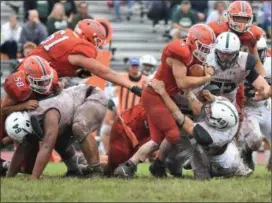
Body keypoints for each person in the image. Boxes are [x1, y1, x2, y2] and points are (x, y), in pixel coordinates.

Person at [113, 24, 216, 178]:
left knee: (156, 140)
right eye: (203, 47)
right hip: (155, 95)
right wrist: (206, 77)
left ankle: (131, 166)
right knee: (173, 134)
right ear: (193, 41)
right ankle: (156, 165)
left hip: (161, 95)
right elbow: (182, 82)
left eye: (208, 49)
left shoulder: (189, 52)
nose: (205, 52)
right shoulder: (180, 51)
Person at [148, 79, 252, 179]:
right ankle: (240, 168)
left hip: (219, 167)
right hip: (231, 155)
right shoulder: (229, 115)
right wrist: (208, 95)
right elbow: (220, 100)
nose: (207, 107)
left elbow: (179, 115)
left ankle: (202, 175)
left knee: (193, 142)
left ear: (215, 123)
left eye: (210, 111)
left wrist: (163, 93)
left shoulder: (209, 135)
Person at [5, 84, 107, 179]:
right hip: (73, 107)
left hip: (93, 96)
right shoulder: (29, 120)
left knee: (78, 126)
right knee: (56, 138)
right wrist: (9, 176)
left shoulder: (49, 114)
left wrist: (34, 177)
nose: (27, 140)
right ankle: (74, 170)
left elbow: (46, 147)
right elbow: (22, 149)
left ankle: (95, 170)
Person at [27, 18, 142, 96]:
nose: (96, 46)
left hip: (28, 73)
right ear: (90, 36)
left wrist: (74, 73)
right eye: (97, 41)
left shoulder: (66, 34)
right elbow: (105, 72)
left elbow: (57, 62)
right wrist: (132, 87)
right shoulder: (78, 48)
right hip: (32, 83)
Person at [208, 0, 266, 111]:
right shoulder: (215, 30)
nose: (241, 23)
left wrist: (262, 80)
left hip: (235, 71)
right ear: (229, 16)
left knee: (238, 106)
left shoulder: (252, 34)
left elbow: (256, 59)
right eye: (238, 18)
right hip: (214, 69)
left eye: (245, 19)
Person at [206, 32, 271, 119]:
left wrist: (265, 93)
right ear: (215, 51)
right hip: (206, 104)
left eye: (229, 54)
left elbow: (264, 87)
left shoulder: (244, 62)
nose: (225, 57)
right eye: (222, 53)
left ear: (237, 53)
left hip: (229, 107)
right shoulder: (206, 60)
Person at [100, 58, 148, 153]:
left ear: (139, 67)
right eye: (133, 66)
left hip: (138, 116)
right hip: (122, 114)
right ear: (129, 67)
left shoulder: (145, 80)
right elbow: (107, 76)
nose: (134, 68)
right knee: (105, 130)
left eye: (136, 66)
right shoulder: (121, 76)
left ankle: (143, 155)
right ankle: (107, 153)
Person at [239, 36, 271, 170]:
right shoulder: (237, 65)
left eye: (258, 51)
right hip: (247, 108)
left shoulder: (269, 64)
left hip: (265, 106)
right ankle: (246, 153)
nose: (253, 55)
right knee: (255, 140)